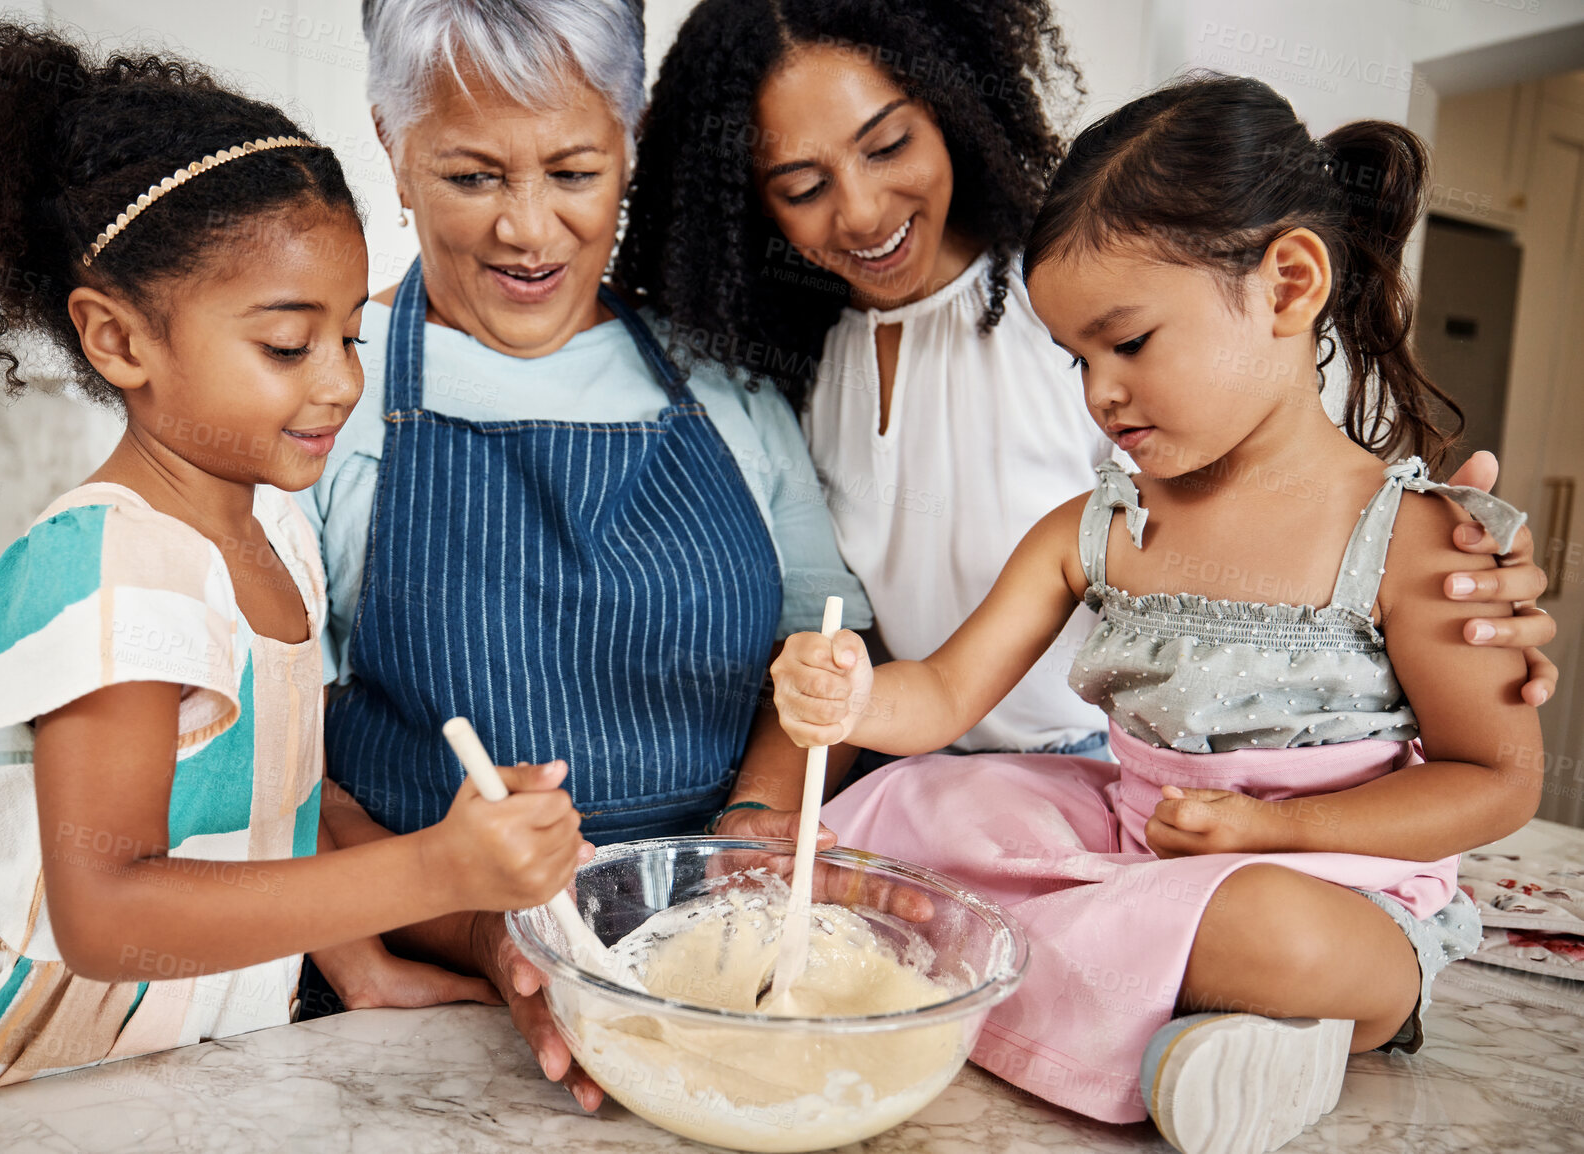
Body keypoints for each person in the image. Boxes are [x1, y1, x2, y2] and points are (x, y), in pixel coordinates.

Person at [770, 74, 1544, 1154]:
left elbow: (1499, 779)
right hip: (1140, 844)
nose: (1098, 395)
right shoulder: (1097, 527)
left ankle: (1220, 993)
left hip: (1325, 877)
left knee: (1268, 929)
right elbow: (945, 692)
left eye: (1128, 344)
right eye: (1078, 359)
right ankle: (1214, 1024)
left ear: (1288, 283)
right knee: (904, 804)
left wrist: (1275, 830)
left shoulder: (1414, 540)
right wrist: (850, 692)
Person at [0, 21, 584, 1115]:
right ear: (118, 341)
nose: (339, 381)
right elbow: (108, 911)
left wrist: (360, 958)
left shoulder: (276, 531)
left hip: (193, 1062)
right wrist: (439, 868)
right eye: (289, 346)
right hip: (35, 1074)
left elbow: (283, 792)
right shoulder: (109, 569)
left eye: (350, 335)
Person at [619, 0, 1558, 821]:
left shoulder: (1082, 308)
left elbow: (1288, 500)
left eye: (888, 144)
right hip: (921, 767)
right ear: (747, 205)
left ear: (951, 106)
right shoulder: (789, 354)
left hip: (1118, 781)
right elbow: (867, 645)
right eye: (802, 186)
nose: (860, 213)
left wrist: (1436, 579)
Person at [299, 0, 865, 1110]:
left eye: (572, 171)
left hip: (734, 984)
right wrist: (485, 932)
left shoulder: (731, 388)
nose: (528, 230)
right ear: (389, 142)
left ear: (633, 136)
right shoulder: (328, 404)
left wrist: (752, 833)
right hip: (433, 1006)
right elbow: (276, 765)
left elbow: (831, 651)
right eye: (471, 177)